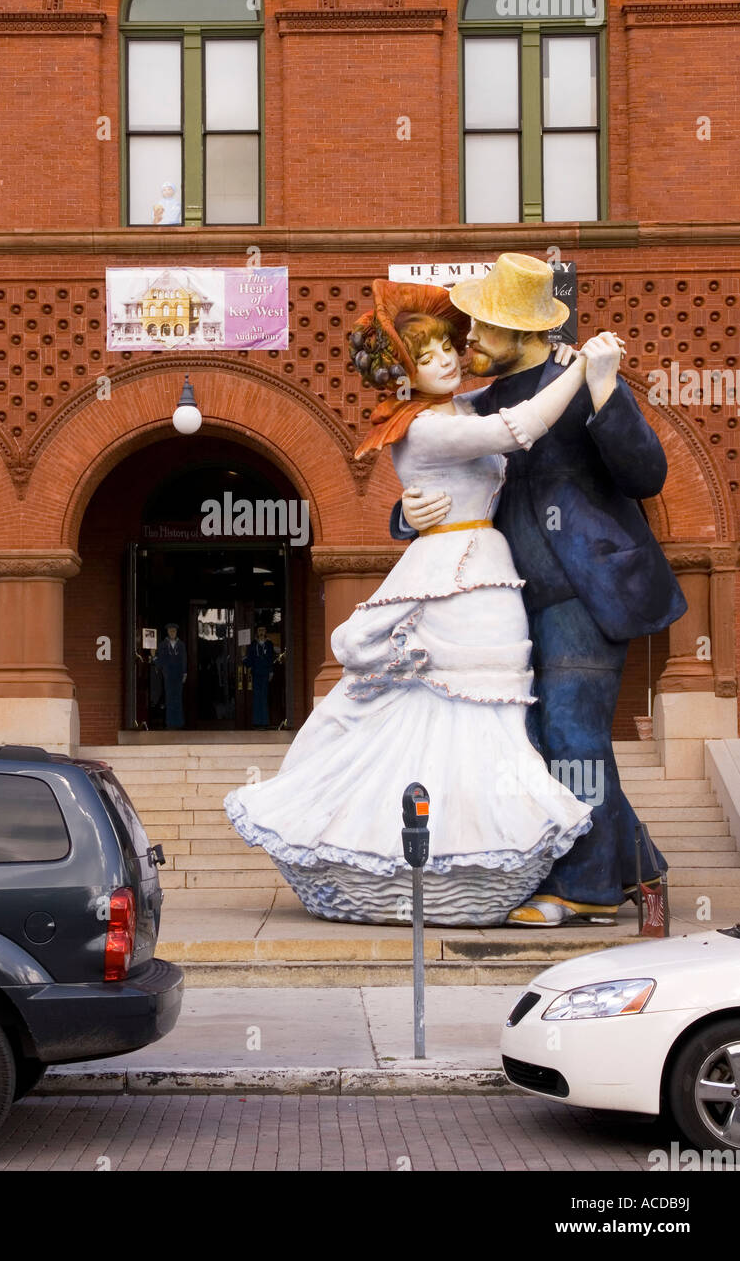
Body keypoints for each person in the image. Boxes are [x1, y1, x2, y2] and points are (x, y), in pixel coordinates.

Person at [224, 281, 598, 926]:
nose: (448, 361)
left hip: (476, 568)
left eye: (447, 348)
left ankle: (473, 857)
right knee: (455, 713)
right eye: (427, 358)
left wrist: (554, 360)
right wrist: (585, 367)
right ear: (403, 375)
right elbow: (518, 425)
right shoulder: (423, 428)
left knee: (480, 717)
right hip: (457, 575)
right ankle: (438, 861)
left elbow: (504, 397)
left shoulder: (453, 410)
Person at [392, 253, 687, 927]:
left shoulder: (581, 380)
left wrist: (608, 392)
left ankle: (581, 888)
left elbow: (645, 473)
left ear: (520, 331)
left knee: (570, 730)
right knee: (530, 735)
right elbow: (439, 484)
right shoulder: (472, 404)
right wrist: (406, 515)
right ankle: (639, 872)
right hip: (497, 602)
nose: (467, 342)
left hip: (583, 590)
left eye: (480, 330)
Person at [153, 624, 187, 729]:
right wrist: (154, 657)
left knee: (178, 698)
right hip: (168, 675)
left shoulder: (181, 645)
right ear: (167, 632)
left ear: (176, 632)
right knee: (169, 699)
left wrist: (185, 673)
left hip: (178, 675)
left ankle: (179, 723)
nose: (172, 632)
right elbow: (160, 662)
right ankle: (170, 723)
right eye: (170, 631)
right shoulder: (163, 645)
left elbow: (184, 659)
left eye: (174, 631)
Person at [244, 626, 276, 728]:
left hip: (265, 673)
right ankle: (257, 722)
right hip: (256, 673)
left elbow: (271, 658)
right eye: (259, 630)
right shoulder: (253, 644)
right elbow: (249, 660)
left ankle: (265, 722)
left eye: (263, 630)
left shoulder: (269, 644)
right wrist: (243, 657)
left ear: (266, 631)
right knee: (257, 697)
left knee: (264, 697)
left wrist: (271, 672)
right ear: (257, 632)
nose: (261, 632)